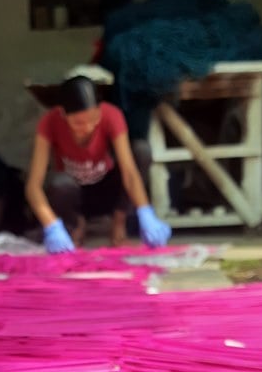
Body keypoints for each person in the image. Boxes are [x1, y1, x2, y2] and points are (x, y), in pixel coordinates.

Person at [25, 75, 171, 253]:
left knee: (141, 151)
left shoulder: (111, 115)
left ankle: (118, 224)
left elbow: (130, 173)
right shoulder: (49, 123)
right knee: (58, 184)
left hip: (106, 189)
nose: (87, 128)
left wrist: (145, 211)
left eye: (93, 120)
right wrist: (51, 225)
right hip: (76, 194)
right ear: (63, 113)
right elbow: (33, 186)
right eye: (78, 123)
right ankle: (75, 225)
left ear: (99, 111)